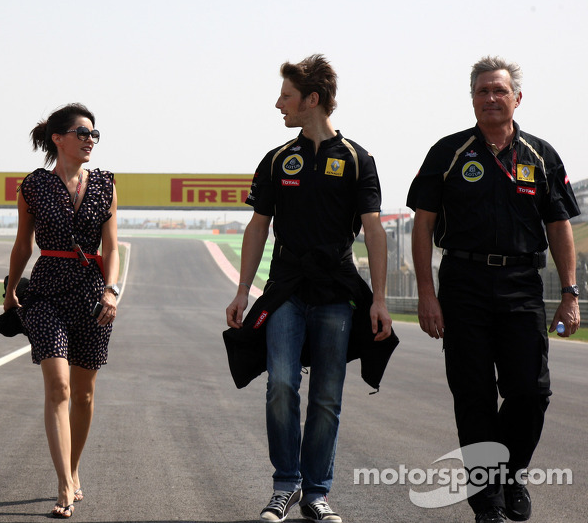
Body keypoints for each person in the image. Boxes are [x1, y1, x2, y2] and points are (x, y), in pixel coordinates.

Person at [407, 56, 580, 523]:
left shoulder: (540, 155)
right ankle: (487, 504)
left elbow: (560, 225)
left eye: (498, 91)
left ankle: (510, 474)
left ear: (516, 98)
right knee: (474, 395)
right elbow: (421, 226)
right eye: (482, 91)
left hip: (522, 286)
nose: (490, 98)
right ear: (472, 99)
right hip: (463, 286)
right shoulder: (448, 153)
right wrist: (427, 293)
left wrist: (570, 292)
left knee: (531, 392)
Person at [226, 54, 392, 523]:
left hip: (336, 294)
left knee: (326, 395)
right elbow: (258, 227)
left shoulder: (358, 159)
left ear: (311, 99)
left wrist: (378, 299)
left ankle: (316, 494)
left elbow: (374, 232)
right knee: (280, 384)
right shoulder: (278, 159)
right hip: (286, 290)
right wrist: (243, 290)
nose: (278, 104)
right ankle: (285, 485)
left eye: (286, 96)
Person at [3, 103, 119, 519]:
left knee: (84, 393)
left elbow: (112, 246)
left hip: (92, 293)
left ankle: (73, 468)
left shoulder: (105, 184)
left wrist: (112, 292)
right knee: (60, 388)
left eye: (94, 134)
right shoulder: (33, 185)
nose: (90, 140)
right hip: (47, 291)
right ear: (58, 138)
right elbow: (22, 244)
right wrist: (11, 288)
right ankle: (64, 484)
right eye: (82, 133)